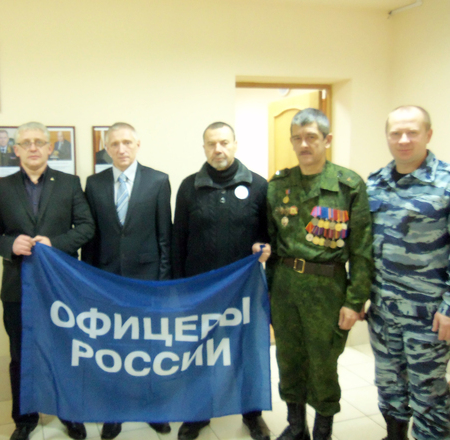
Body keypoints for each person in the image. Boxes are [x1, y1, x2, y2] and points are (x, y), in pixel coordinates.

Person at [0, 122, 94, 440]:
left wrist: (54, 243)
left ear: (49, 148)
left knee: (65, 351)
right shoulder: (0, 189)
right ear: (16, 150)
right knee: (21, 355)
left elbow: (86, 227)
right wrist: (9, 244)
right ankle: (25, 419)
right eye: (26, 142)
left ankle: (69, 413)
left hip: (61, 286)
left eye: (39, 142)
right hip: (18, 288)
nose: (33, 147)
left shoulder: (70, 184)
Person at [266, 108, 373, 440]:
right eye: (297, 138)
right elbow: (271, 245)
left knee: (324, 364)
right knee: (288, 359)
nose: (304, 144)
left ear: (327, 140)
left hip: (327, 288)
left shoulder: (348, 185)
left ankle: (323, 431)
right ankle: (296, 427)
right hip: (285, 287)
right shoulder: (278, 185)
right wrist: (268, 293)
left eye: (311, 137)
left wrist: (354, 301)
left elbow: (362, 249)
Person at [172, 121, 271, 440]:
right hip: (200, 291)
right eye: (212, 144)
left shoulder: (258, 186)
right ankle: (198, 413)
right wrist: (178, 288)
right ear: (204, 148)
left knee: (246, 353)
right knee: (200, 353)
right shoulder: (189, 187)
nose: (218, 149)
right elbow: (178, 239)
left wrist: (265, 247)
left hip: (244, 290)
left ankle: (252, 414)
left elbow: (268, 235)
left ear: (235, 144)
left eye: (224, 142)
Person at [82, 122, 172, 439]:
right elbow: (91, 239)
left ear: (137, 144)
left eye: (127, 142)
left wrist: (162, 286)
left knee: (149, 347)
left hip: (147, 281)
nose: (121, 149)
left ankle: (153, 408)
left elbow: (165, 237)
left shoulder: (158, 181)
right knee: (112, 348)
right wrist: (88, 282)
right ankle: (115, 410)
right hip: (107, 281)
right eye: (114, 144)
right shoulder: (94, 184)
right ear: (106, 148)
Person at [367, 105, 450, 440]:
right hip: (383, 311)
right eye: (396, 133)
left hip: (427, 314)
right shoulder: (374, 183)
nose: (403, 140)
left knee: (428, 392)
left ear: (428, 134)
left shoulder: (446, 183)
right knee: (389, 385)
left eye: (412, 132)